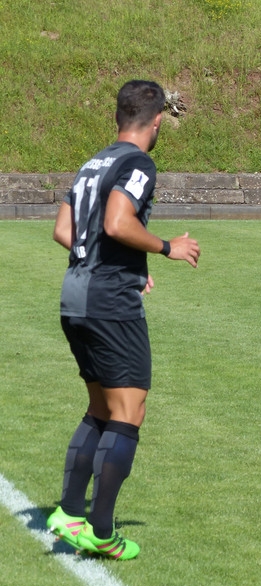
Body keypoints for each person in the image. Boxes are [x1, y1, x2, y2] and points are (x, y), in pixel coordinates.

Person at [46, 80, 201, 559]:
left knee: (100, 407)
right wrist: (166, 247)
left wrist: (128, 264)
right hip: (110, 303)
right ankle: (101, 531)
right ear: (157, 122)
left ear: (117, 117)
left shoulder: (93, 162)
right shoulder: (138, 163)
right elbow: (117, 222)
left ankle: (68, 512)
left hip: (76, 295)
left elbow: (64, 230)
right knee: (129, 411)